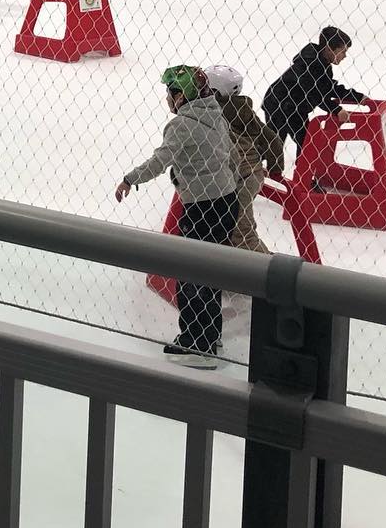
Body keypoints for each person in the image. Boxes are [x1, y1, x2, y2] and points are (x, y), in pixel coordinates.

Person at [115, 67, 238, 369]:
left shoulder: (181, 125)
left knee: (190, 272)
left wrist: (130, 179)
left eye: (170, 92)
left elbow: (161, 160)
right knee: (212, 272)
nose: (167, 98)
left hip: (202, 207)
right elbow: (227, 154)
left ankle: (197, 344)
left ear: (181, 95)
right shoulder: (214, 114)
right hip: (227, 201)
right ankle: (211, 334)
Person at [203, 66, 283, 255]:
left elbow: (271, 140)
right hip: (243, 174)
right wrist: (273, 167)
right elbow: (270, 139)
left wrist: (275, 169)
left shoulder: (212, 111)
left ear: (214, 91)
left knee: (241, 229)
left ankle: (266, 270)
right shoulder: (242, 110)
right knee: (227, 222)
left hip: (244, 177)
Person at [262, 28, 365, 152]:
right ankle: (257, 167)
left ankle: (301, 170)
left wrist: (357, 97)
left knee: (305, 143)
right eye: (342, 51)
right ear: (328, 48)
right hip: (279, 104)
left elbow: (327, 88)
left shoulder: (323, 65)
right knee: (275, 143)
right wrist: (336, 110)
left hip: (295, 107)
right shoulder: (309, 64)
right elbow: (313, 93)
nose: (345, 56)